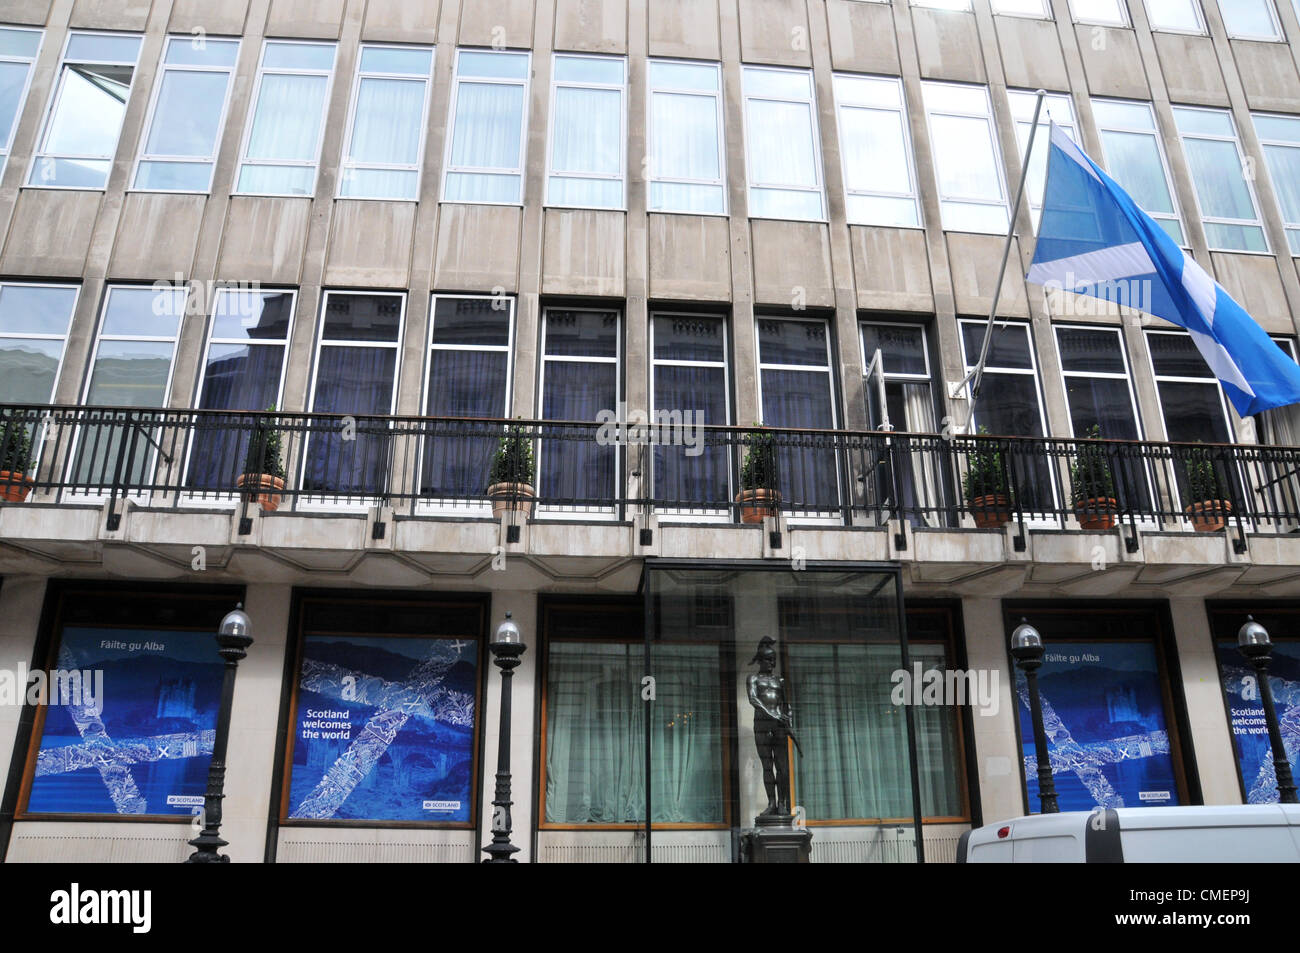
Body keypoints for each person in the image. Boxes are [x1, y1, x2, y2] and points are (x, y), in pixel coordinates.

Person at [746, 636, 802, 818]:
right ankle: (771, 803)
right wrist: (774, 715)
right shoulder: (753, 679)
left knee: (783, 768)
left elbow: (787, 705)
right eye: (769, 660)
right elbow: (754, 700)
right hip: (762, 725)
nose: (772, 663)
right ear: (760, 660)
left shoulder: (780, 681)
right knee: (768, 766)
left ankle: (782, 803)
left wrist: (788, 722)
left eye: (774, 660)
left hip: (779, 726)